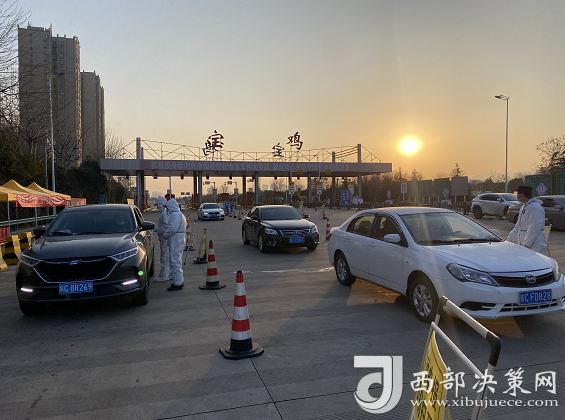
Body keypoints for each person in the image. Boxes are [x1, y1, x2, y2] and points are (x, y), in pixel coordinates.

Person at [507, 186, 547, 255]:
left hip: (535, 245)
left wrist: (527, 244)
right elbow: (518, 225)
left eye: (517, 194)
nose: (517, 196)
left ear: (522, 195)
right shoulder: (524, 207)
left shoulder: (535, 208)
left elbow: (534, 227)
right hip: (524, 244)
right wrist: (510, 239)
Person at [163, 198, 187, 291]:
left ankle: (178, 283)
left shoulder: (175, 215)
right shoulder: (179, 214)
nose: (166, 209)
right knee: (176, 260)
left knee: (175, 261)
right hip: (178, 239)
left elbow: (172, 229)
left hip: (176, 240)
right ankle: (179, 280)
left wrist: (165, 235)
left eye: (167, 207)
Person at [153, 197, 170, 282]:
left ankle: (164, 276)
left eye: (158, 205)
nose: (157, 207)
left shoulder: (164, 214)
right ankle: (168, 274)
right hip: (164, 238)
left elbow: (165, 227)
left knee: (164, 257)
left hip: (164, 238)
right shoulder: (165, 213)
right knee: (167, 257)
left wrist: (157, 229)